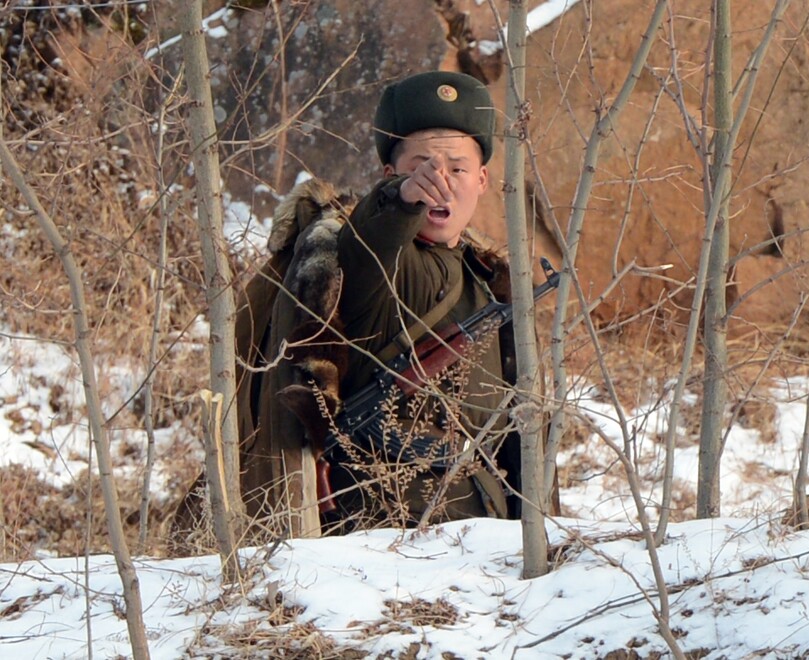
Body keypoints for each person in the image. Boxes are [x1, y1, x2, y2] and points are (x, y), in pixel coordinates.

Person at [170, 71, 556, 549]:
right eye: (421, 168)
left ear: (481, 181)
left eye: (457, 169)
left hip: (490, 535)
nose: (439, 182)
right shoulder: (372, 261)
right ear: (389, 177)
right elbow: (372, 237)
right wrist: (400, 202)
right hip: (383, 543)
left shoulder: (491, 283)